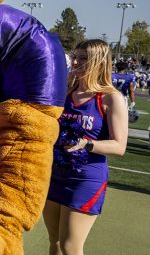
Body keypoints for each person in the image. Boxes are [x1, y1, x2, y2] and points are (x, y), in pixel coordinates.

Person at [43, 39, 127, 255]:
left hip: (86, 179)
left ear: (99, 62)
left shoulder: (111, 98)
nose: (76, 63)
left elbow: (119, 146)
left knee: (71, 246)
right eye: (76, 57)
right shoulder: (66, 92)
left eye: (84, 59)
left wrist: (86, 144)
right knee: (55, 243)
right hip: (55, 175)